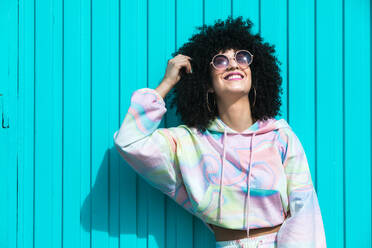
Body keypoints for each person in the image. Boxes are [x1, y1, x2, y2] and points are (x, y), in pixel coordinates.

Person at [113, 16, 327, 248]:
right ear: (207, 84)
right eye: (220, 61)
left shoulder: (280, 136)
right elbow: (129, 142)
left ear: (255, 76)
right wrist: (166, 83)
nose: (234, 64)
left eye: (242, 57)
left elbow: (304, 208)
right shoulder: (190, 142)